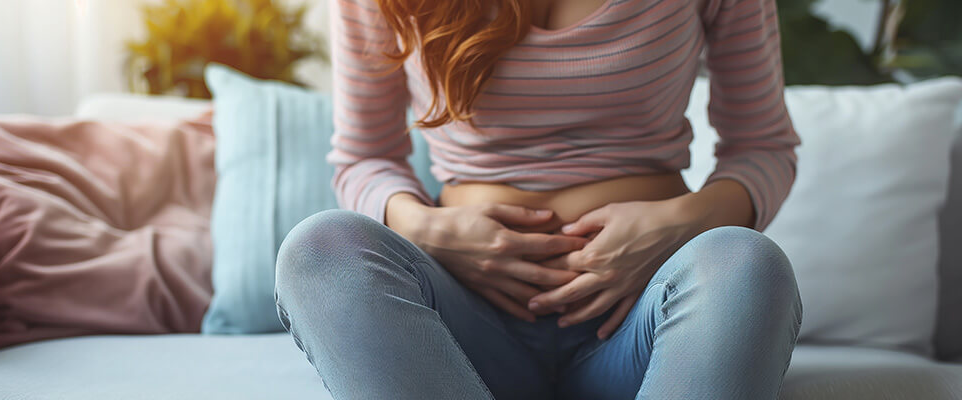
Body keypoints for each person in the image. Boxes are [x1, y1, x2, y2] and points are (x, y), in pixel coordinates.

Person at [274, 0, 803, 398]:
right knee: (318, 250)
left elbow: (764, 148)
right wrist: (428, 228)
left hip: (639, 323)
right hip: (464, 328)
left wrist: (678, 222)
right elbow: (363, 157)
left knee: (744, 261)